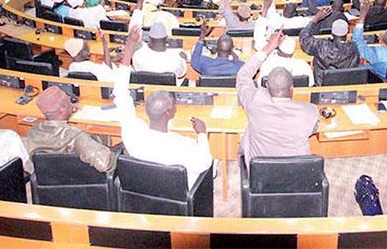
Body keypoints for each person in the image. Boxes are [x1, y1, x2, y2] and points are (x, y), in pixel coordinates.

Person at [114, 27, 213, 188]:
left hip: (142, 193)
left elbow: (119, 91)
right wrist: (202, 134)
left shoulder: (131, 131)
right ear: (169, 113)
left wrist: (129, 47)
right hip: (177, 196)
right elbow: (205, 163)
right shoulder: (183, 145)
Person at [236, 30, 319, 165]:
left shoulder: (254, 102)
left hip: (260, 173)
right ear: (292, 88)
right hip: (297, 172)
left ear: (266, 86)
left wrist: (269, 46)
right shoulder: (310, 111)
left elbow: (243, 76)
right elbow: (314, 128)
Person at [27, 86, 116, 173]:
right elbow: (105, 164)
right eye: (69, 101)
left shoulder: (33, 132)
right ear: (62, 109)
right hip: (82, 178)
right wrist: (115, 153)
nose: (72, 104)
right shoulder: (74, 135)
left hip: (50, 179)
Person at [299, 9, 359, 85]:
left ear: (332, 33)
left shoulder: (321, 46)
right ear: (347, 32)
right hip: (346, 86)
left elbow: (304, 39)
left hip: (322, 86)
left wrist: (315, 19)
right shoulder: (354, 48)